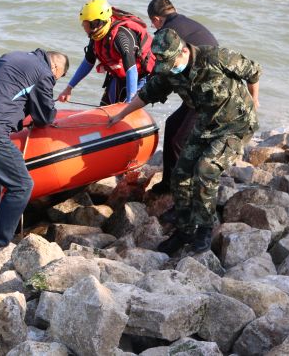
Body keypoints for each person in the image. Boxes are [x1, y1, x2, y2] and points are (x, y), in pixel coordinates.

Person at [108, 29, 260, 255]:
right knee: (180, 175)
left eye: (170, 62)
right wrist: (121, 114)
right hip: (206, 123)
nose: (168, 68)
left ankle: (205, 228)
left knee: (205, 170)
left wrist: (254, 100)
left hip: (235, 124)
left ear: (183, 52)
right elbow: (147, 94)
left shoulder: (216, 57)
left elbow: (254, 71)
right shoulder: (170, 71)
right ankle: (185, 229)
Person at [0, 49, 69, 252]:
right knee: (22, 186)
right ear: (55, 67)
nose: (53, 81)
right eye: (57, 78)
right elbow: (44, 117)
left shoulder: (11, 56)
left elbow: (4, 92)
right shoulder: (44, 72)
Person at [147, 0, 219, 195]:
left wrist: (145, 91)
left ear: (155, 19)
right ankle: (172, 181)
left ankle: (177, 189)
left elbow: (161, 70)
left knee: (178, 139)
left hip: (209, 94)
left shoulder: (167, 32)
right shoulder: (188, 24)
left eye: (152, 23)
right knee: (173, 125)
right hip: (209, 88)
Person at [58, 0, 155, 105]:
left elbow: (131, 69)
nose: (86, 29)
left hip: (140, 76)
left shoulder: (121, 37)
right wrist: (69, 88)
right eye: (84, 24)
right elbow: (88, 62)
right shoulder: (96, 36)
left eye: (88, 24)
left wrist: (130, 101)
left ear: (99, 22)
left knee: (127, 109)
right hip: (119, 77)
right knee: (105, 107)